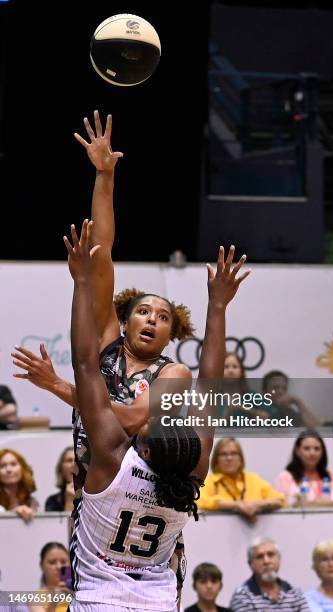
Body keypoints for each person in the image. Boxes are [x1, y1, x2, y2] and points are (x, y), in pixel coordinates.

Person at [11, 111, 195, 594]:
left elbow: (131, 421)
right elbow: (101, 251)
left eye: (163, 316)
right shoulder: (108, 347)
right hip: (93, 497)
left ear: (172, 332)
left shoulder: (172, 372)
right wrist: (105, 175)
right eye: (144, 311)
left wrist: (61, 388)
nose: (152, 318)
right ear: (125, 317)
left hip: (148, 505)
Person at [64, 220, 249, 610]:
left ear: (143, 449)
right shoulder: (190, 483)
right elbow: (211, 389)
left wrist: (80, 284)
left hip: (99, 597)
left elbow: (83, 365)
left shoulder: (112, 459)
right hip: (157, 597)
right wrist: (218, 305)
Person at [197, 438, 284, 523]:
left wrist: (256, 505)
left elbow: (280, 500)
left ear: (240, 458)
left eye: (233, 453)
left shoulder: (253, 479)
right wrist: (237, 505)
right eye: (223, 454)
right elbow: (200, 501)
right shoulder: (209, 481)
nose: (229, 458)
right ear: (216, 460)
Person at [230, 537, 310, 611]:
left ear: (279, 559)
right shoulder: (242, 596)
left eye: (271, 555)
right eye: (260, 557)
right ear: (251, 564)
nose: (266, 561)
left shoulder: (294, 592)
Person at [276, 430, 333, 507]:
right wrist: (323, 504)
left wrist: (311, 504)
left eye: (317, 449)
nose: (312, 453)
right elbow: (283, 506)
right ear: (297, 451)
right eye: (307, 448)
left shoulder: (331, 477)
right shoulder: (286, 477)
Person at [29, 542, 72, 612]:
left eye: (63, 562)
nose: (59, 566)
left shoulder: (79, 592)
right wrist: (53, 602)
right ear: (42, 565)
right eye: (52, 562)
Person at [0, 449, 38, 522]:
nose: (8, 470)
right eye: (2, 466)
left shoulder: (33, 502)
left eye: (13, 464)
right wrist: (13, 515)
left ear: (23, 469)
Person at [45, 447, 75, 513]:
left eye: (78, 460)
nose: (74, 464)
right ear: (61, 469)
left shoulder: (93, 498)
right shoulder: (52, 501)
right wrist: (69, 501)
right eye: (69, 460)